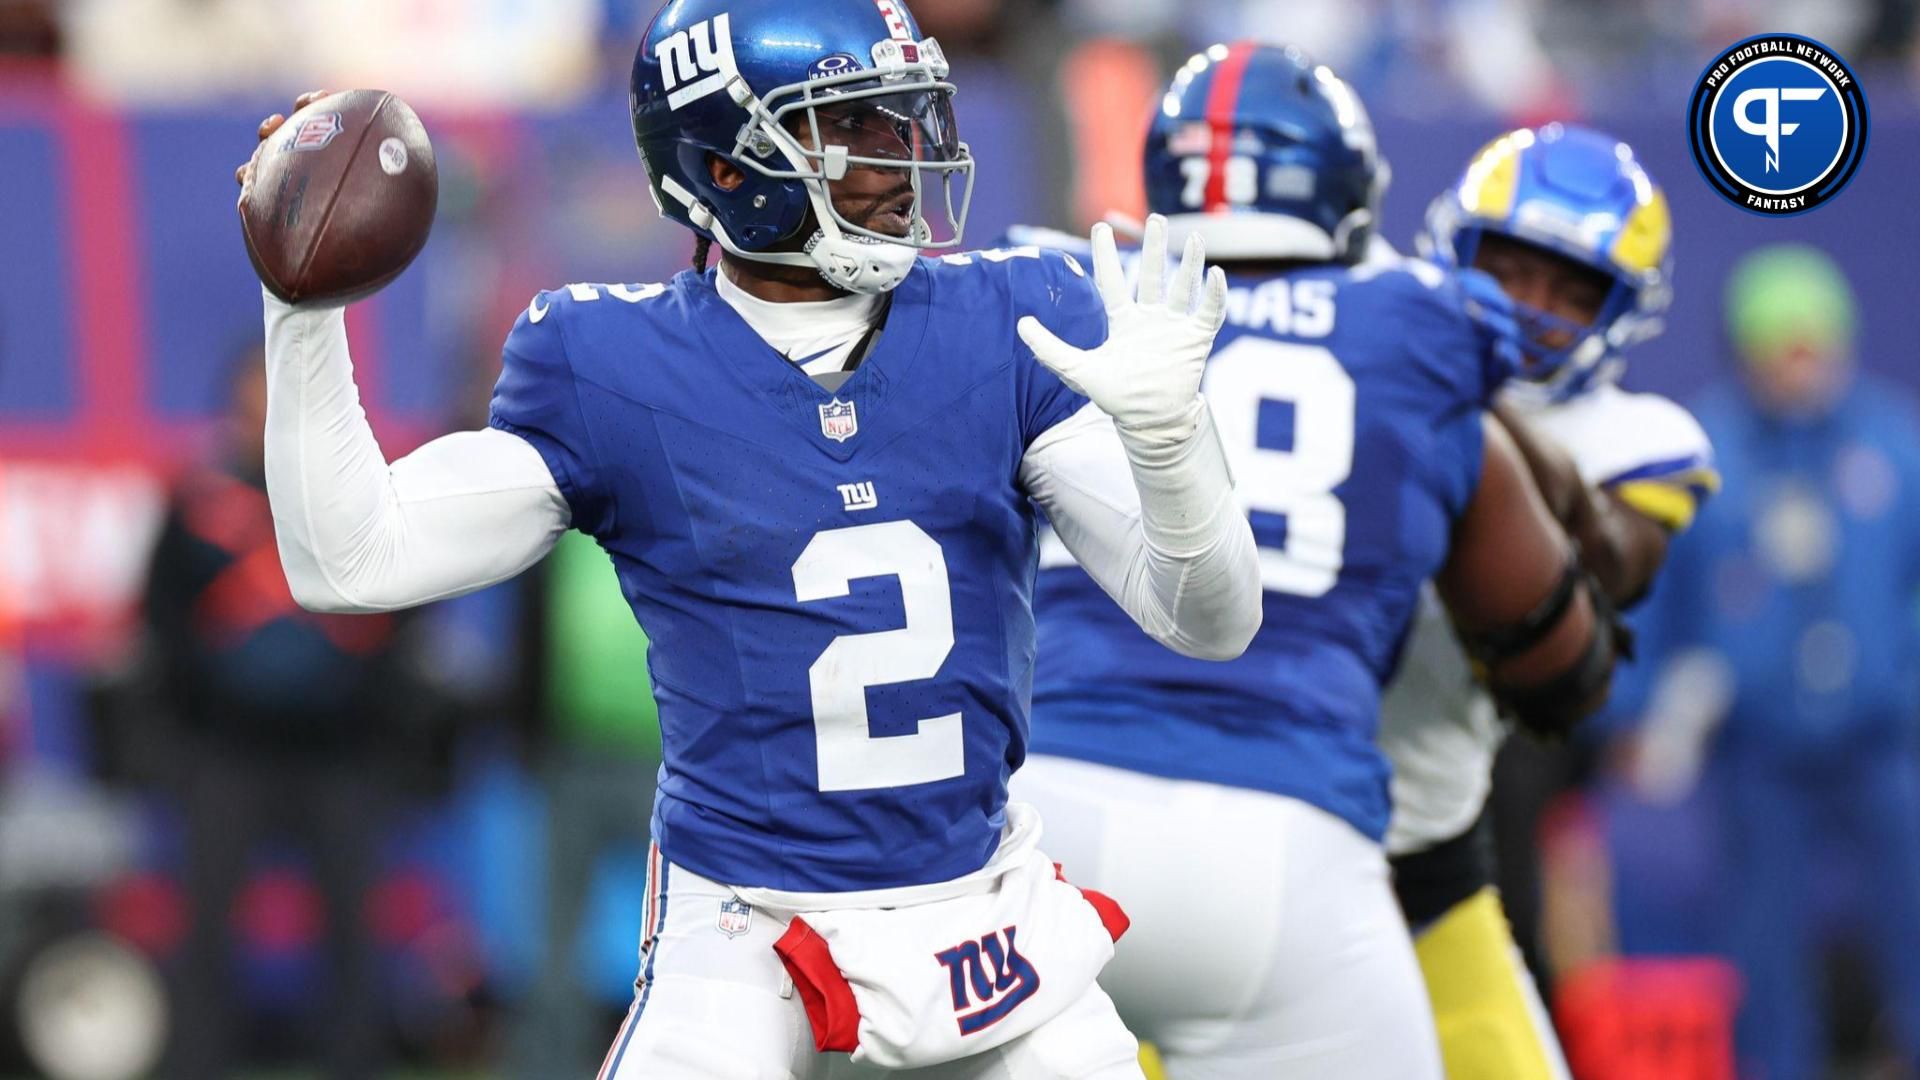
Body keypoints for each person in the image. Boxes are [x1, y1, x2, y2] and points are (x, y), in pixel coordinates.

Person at [232, 0, 1264, 1075]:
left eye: (903, 116)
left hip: (981, 914)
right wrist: (301, 314)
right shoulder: (610, 361)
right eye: (851, 126)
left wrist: (1172, 442)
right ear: (725, 170)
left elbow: (1212, 619)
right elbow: (348, 561)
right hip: (745, 927)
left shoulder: (1008, 320)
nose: (900, 155)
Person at [1008, 45, 1622, 1079]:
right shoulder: (1421, 330)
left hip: (1038, 814)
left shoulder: (1051, 291)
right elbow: (1552, 660)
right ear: (1344, 199)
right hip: (1281, 834)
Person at [1375, 123, 1719, 1080]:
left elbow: (1601, 565)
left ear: (1624, 312)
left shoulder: (1643, 438)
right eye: (1514, 269)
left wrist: (1462, 400)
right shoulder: (1365, 349)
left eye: (1573, 291)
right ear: (1458, 246)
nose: (1532, 309)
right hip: (1273, 776)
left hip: (1440, 827)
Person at [1629, 244, 1920, 1078]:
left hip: (1880, 739)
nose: (1799, 365)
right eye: (1780, 346)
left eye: (1814, 343)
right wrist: (1643, 707)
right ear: (1746, 349)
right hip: (1757, 749)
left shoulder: (1890, 441)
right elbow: (1655, 597)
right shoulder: (1706, 451)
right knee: (1762, 945)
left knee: (1913, 919)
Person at [141, 353, 406, 1080]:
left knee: (354, 927)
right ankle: (194, 1062)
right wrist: (204, 707)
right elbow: (162, 619)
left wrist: (360, 693)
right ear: (233, 405)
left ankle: (355, 1063)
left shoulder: (352, 496)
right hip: (230, 751)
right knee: (206, 927)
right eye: (256, 396)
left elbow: (401, 603)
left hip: (339, 752)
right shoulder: (199, 503)